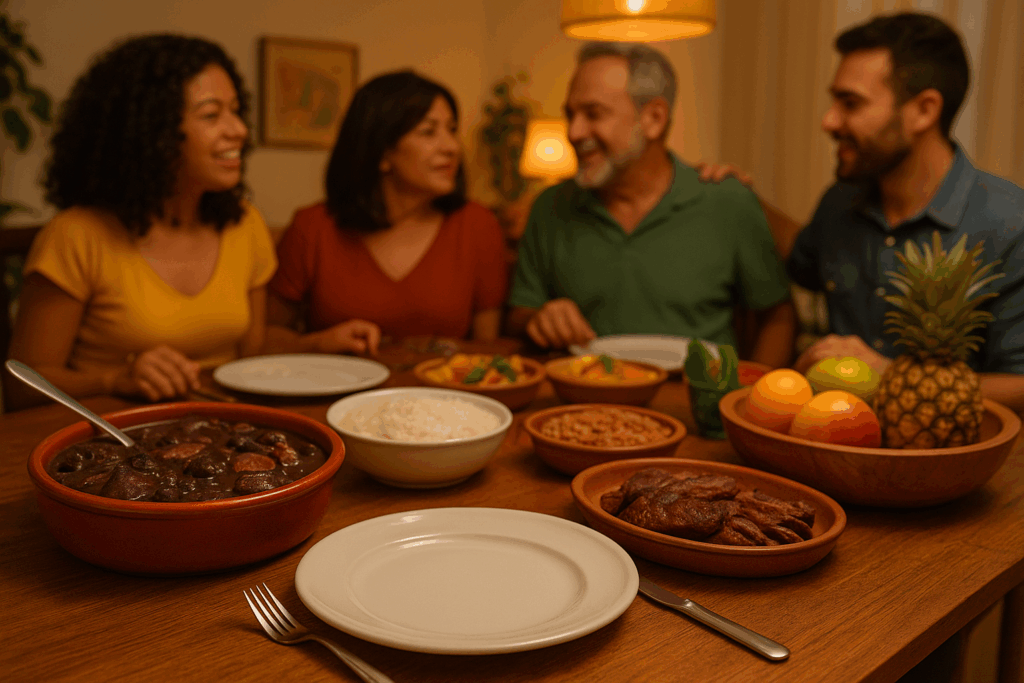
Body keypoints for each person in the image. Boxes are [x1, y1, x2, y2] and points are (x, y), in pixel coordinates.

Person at [702, 12, 1024, 411]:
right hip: (832, 439)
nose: (829, 120)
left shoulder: (1009, 224)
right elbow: (800, 251)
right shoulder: (841, 202)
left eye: (850, 103)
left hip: (948, 459)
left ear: (924, 110)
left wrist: (891, 375)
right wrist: (742, 196)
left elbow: (1020, 384)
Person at [5, 34, 276, 411]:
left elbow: (253, 353)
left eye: (236, 110)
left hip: (221, 433)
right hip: (110, 441)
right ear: (151, 131)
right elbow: (22, 387)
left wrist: (319, 344)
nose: (239, 130)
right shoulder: (76, 236)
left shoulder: (245, 224)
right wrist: (115, 379)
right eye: (212, 115)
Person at [504, 42, 795, 368]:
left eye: (593, 114)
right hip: (584, 401)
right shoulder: (550, 207)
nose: (573, 132)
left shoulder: (727, 201)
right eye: (570, 114)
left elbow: (777, 317)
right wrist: (539, 319)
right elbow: (519, 315)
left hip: (697, 405)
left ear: (654, 118)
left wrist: (751, 395)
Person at [265, 71, 508, 355]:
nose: (452, 147)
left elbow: (485, 350)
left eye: (451, 130)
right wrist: (317, 344)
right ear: (381, 152)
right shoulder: (313, 227)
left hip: (443, 394)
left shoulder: (478, 225)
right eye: (428, 132)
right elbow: (266, 339)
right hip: (337, 392)